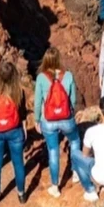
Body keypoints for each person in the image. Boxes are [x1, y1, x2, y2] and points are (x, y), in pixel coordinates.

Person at [34, 46, 81, 198]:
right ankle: (75, 173)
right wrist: (70, 112)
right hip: (66, 118)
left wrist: (36, 119)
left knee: (53, 150)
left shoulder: (41, 78)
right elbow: (73, 99)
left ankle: (55, 186)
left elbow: (37, 102)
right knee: (74, 141)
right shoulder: (68, 75)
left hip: (48, 120)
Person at [0, 62, 28, 204]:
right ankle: (21, 194)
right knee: (18, 162)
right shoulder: (18, 92)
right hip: (15, 130)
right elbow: (22, 114)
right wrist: (24, 128)